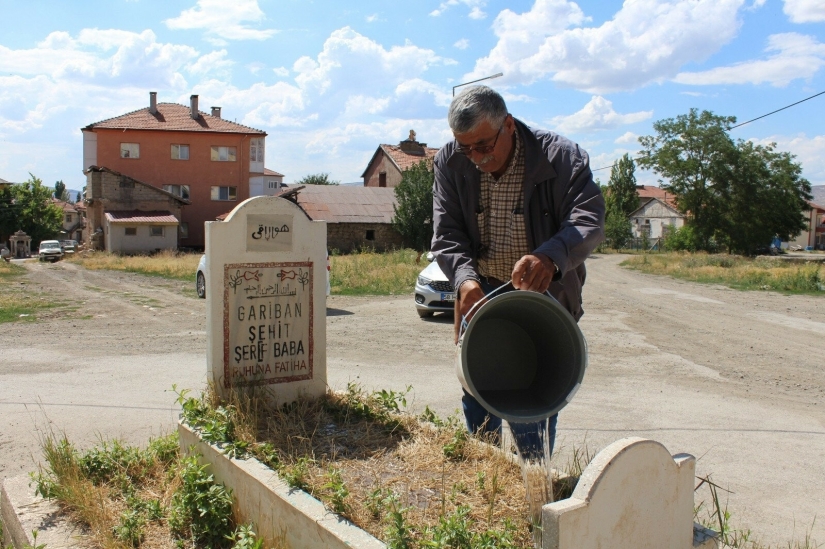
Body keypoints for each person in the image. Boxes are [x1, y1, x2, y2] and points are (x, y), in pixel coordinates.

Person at [431, 85, 605, 456]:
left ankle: (533, 486)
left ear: (508, 124)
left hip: (541, 301)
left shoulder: (561, 158)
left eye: (483, 145)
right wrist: (465, 281)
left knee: (532, 409)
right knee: (477, 398)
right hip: (478, 297)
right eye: (465, 148)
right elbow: (446, 233)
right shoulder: (449, 160)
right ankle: (486, 479)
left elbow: (588, 220)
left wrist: (550, 257)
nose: (475, 158)